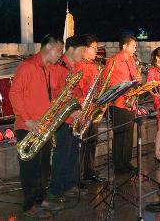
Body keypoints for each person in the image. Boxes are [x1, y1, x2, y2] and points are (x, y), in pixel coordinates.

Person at [9, 34, 64, 219]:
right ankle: (30, 204)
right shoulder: (27, 67)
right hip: (28, 126)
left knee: (43, 167)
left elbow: (54, 93)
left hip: (45, 125)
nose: (60, 54)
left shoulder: (52, 69)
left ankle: (41, 199)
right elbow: (14, 94)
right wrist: (27, 120)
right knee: (30, 168)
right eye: (58, 50)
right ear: (48, 47)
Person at [49, 36, 87, 202]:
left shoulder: (73, 67)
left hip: (74, 116)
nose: (84, 54)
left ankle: (70, 184)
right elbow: (55, 95)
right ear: (70, 49)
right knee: (61, 154)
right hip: (63, 118)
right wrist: (70, 112)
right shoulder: (58, 67)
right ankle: (57, 190)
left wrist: (81, 111)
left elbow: (76, 94)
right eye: (82, 50)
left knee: (72, 153)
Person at [103, 34, 141, 173]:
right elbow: (105, 81)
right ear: (124, 46)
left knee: (129, 133)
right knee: (120, 134)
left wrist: (137, 80)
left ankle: (126, 161)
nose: (135, 49)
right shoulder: (113, 61)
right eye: (133, 46)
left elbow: (133, 78)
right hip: (118, 102)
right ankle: (118, 164)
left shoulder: (131, 60)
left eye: (135, 46)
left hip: (130, 102)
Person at [76, 34, 105, 182]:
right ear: (84, 49)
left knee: (92, 140)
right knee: (81, 142)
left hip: (94, 108)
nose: (96, 51)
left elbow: (98, 87)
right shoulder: (78, 66)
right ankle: (78, 175)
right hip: (82, 110)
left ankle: (89, 170)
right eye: (94, 48)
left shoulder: (94, 66)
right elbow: (80, 89)